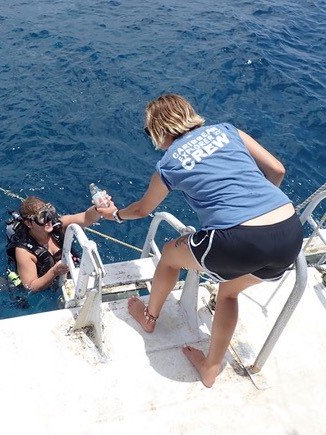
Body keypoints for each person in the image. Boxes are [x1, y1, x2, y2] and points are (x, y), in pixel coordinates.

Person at [98, 93, 303, 388]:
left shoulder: (169, 163)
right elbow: (277, 170)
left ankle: (149, 317)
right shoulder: (228, 130)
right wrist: (257, 210)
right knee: (228, 292)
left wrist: (115, 214)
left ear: (161, 130)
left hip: (238, 239)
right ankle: (211, 367)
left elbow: (143, 209)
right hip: (288, 230)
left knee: (170, 255)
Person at [7, 195, 114, 292]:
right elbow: (30, 286)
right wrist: (53, 273)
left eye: (49, 213)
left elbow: (86, 218)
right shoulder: (23, 252)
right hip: (47, 282)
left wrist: (98, 208)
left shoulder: (58, 226)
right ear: (29, 223)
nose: (48, 220)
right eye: (42, 217)